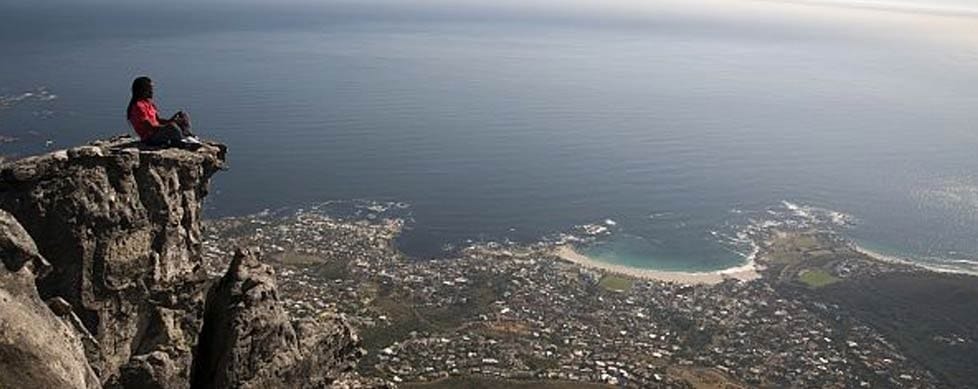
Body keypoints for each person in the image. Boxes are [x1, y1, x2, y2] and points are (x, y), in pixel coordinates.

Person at [126, 76, 201, 147]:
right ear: (142, 90)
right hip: (150, 138)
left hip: (158, 131)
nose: (152, 92)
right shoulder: (138, 107)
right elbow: (151, 127)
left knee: (183, 115)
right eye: (149, 89)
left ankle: (188, 135)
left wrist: (172, 120)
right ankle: (184, 141)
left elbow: (158, 120)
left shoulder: (149, 103)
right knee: (172, 127)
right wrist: (171, 124)